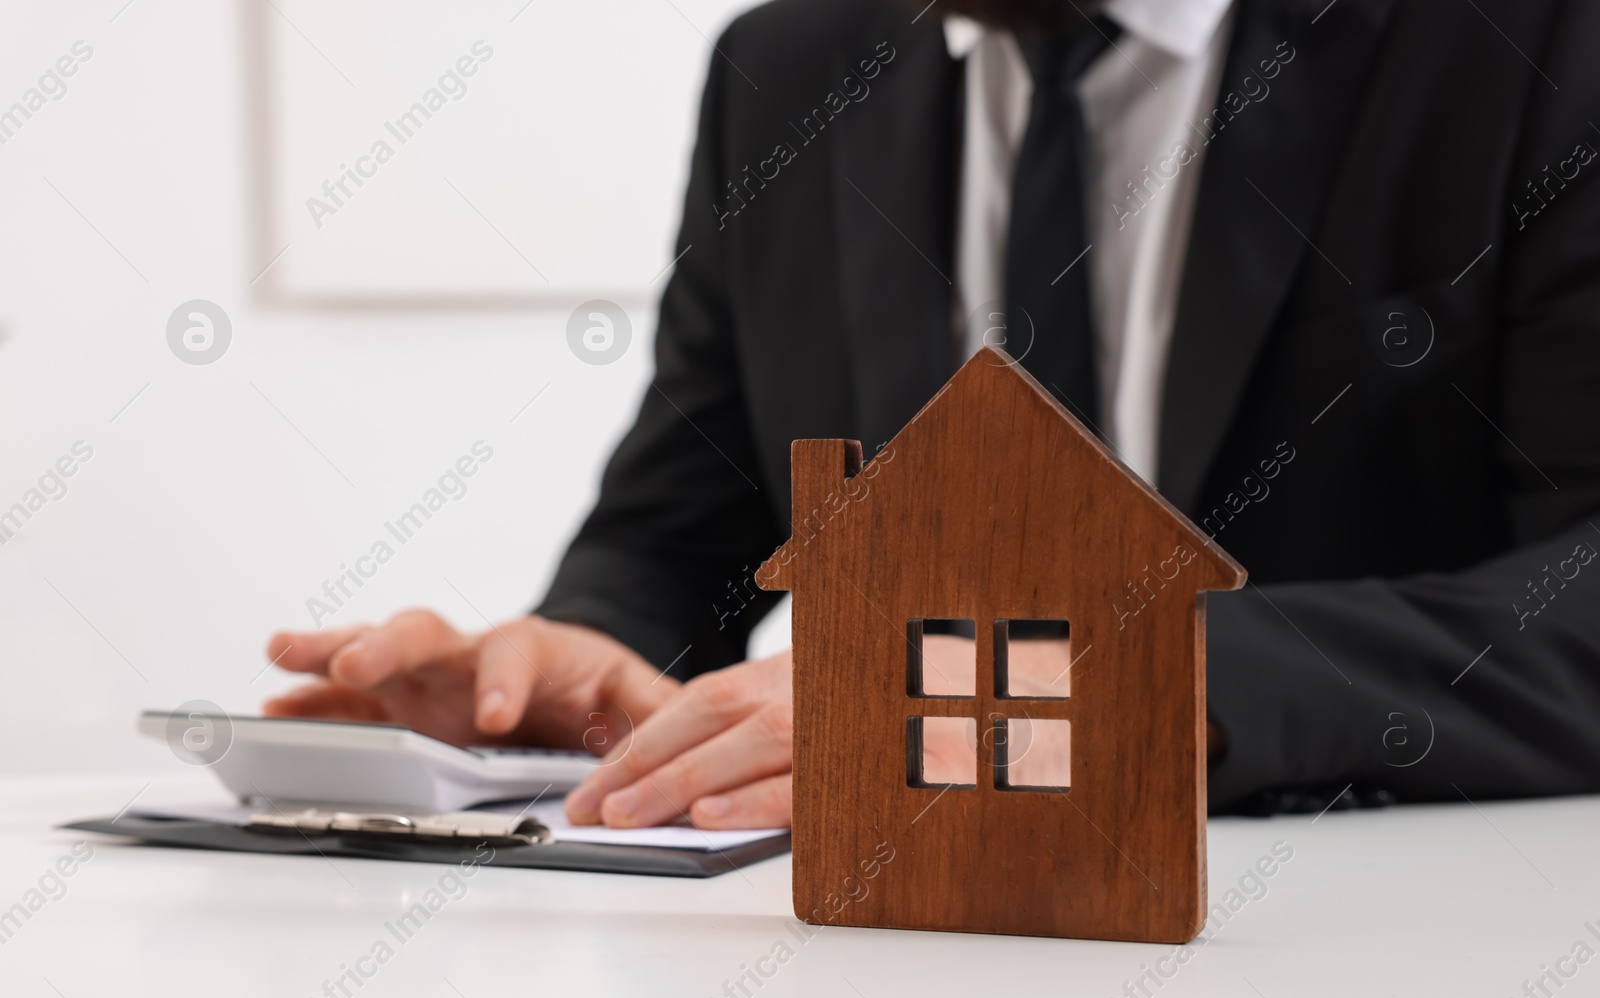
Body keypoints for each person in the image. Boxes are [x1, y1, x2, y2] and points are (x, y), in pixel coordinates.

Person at [266, 0, 1600, 828]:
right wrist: (576, 681)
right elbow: (682, 522)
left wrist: (1131, 694)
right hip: (882, 974)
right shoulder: (782, 73)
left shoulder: (1532, 40)